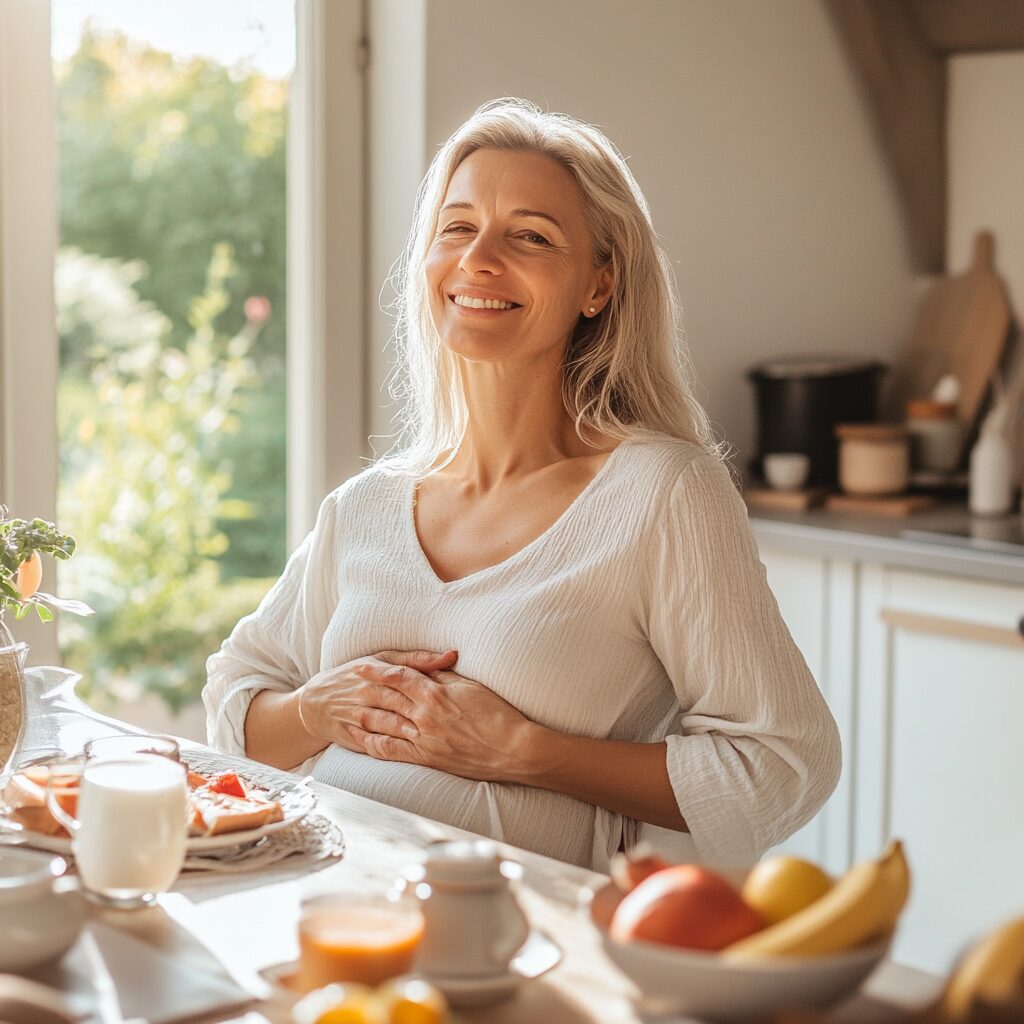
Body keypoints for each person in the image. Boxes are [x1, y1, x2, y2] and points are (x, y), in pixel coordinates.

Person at [203, 97, 840, 871]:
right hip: (321, 911)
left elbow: (781, 763)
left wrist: (523, 750)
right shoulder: (366, 506)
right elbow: (235, 711)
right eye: (458, 226)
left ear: (598, 286)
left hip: (515, 947)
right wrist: (321, 708)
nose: (478, 259)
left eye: (530, 236)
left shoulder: (661, 493)